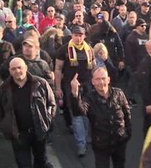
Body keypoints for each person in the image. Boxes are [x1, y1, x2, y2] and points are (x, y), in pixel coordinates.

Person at [0, 57, 56, 168]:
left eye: (19, 67)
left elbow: (51, 104)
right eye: (13, 69)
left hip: (38, 131)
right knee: (23, 164)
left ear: (26, 68)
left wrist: (47, 120)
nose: (17, 71)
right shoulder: (4, 89)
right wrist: (5, 127)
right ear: (10, 71)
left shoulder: (40, 83)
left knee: (41, 162)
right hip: (19, 135)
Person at [70, 67, 131, 168]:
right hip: (101, 144)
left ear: (108, 79)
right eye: (97, 79)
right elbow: (78, 111)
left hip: (119, 142)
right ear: (93, 82)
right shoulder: (89, 98)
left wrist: (127, 133)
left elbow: (127, 114)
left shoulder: (118, 93)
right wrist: (75, 94)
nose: (101, 82)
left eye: (103, 78)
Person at [55, 26, 94, 156]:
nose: (78, 38)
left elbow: (93, 68)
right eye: (76, 35)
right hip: (71, 86)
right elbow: (58, 69)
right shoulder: (64, 49)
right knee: (77, 114)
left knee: (87, 112)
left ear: (84, 36)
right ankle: (81, 144)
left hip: (87, 85)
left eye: (81, 35)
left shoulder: (89, 49)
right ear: (72, 35)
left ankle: (87, 138)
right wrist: (58, 87)